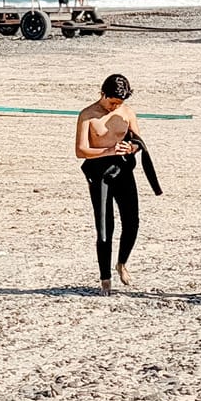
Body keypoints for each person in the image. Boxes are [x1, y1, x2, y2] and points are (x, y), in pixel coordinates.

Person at [74, 73, 162, 294]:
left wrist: (131, 148)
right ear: (103, 94)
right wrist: (108, 150)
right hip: (99, 172)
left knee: (132, 221)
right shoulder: (87, 115)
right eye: (112, 102)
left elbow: (137, 140)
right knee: (105, 227)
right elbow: (80, 150)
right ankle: (105, 278)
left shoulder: (126, 113)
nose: (115, 107)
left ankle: (122, 262)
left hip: (123, 169)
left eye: (119, 103)